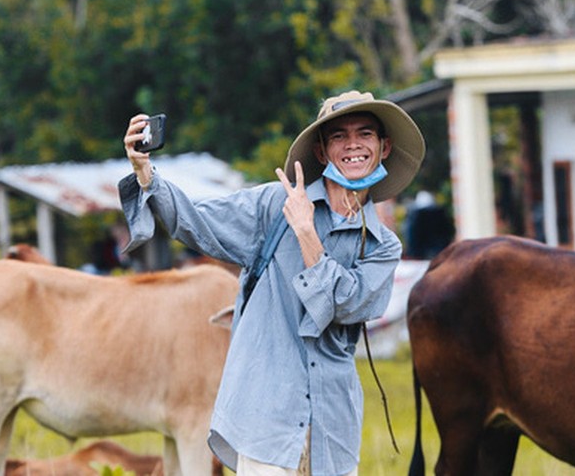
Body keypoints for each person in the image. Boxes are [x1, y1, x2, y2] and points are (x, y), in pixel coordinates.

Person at [118, 90, 425, 476]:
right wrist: (145, 172)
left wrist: (307, 233)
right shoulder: (275, 205)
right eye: (338, 136)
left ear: (384, 148)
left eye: (365, 134)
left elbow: (342, 305)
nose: (352, 145)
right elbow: (195, 221)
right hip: (265, 418)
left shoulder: (383, 247)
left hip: (334, 429)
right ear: (321, 152)